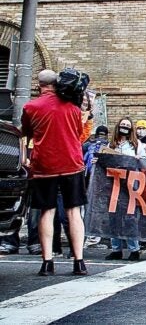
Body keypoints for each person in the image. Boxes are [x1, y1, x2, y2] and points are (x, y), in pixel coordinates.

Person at [21, 69, 88, 276]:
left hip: (44, 166)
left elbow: (26, 133)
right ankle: (79, 262)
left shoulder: (30, 107)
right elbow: (78, 133)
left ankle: (47, 262)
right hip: (72, 163)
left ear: (38, 84)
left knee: (46, 212)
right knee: (73, 212)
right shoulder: (73, 108)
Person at [105, 117, 146, 261]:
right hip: (114, 185)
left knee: (130, 217)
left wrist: (138, 158)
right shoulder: (111, 144)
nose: (124, 127)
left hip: (130, 186)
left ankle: (134, 249)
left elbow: (145, 162)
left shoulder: (136, 145)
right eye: (122, 125)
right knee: (114, 218)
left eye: (127, 125)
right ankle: (116, 249)